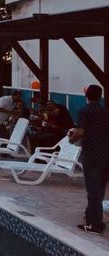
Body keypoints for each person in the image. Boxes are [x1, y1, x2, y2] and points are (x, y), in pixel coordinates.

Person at [69, 85, 109, 234]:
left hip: (92, 155)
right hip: (106, 155)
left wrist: (71, 139)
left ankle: (96, 225)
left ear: (86, 95)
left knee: (93, 190)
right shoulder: (106, 112)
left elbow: (79, 132)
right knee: (100, 188)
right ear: (100, 96)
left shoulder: (84, 111)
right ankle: (90, 216)